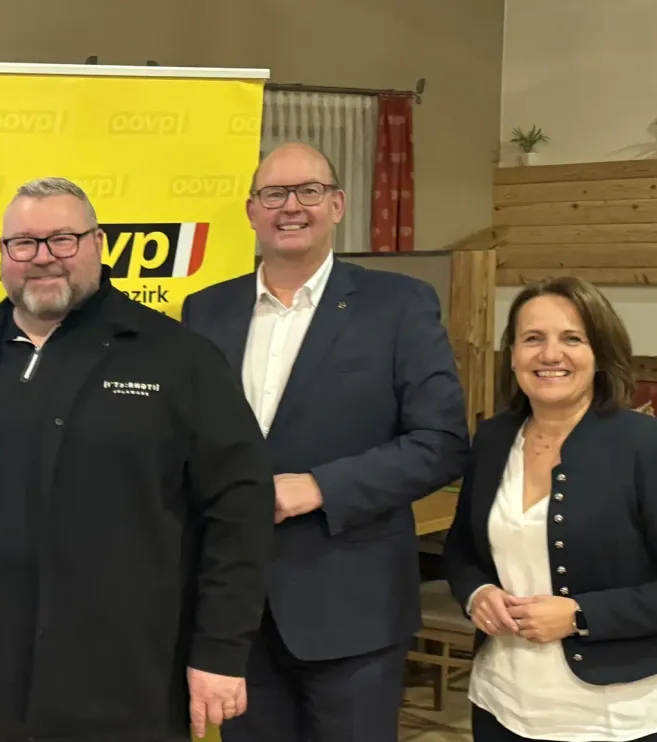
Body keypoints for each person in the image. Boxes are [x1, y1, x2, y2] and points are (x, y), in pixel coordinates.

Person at [0, 176, 275, 742]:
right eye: (23, 243)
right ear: (3, 256)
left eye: (63, 240)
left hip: (127, 677)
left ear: (98, 244)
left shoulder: (179, 360)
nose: (43, 258)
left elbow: (239, 510)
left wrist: (220, 651)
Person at [179, 141, 470, 741]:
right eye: (273, 194)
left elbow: (440, 441)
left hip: (352, 609)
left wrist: (317, 487)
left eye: (308, 191)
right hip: (236, 615)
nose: (291, 207)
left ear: (337, 205)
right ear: (251, 210)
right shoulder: (206, 311)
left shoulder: (399, 305)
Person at [443, 276, 657, 742]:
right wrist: (477, 594)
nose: (550, 355)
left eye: (572, 338)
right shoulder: (493, 439)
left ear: (600, 354)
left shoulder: (652, 446)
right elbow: (460, 550)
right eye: (533, 339)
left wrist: (579, 615)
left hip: (615, 716)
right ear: (512, 355)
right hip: (500, 701)